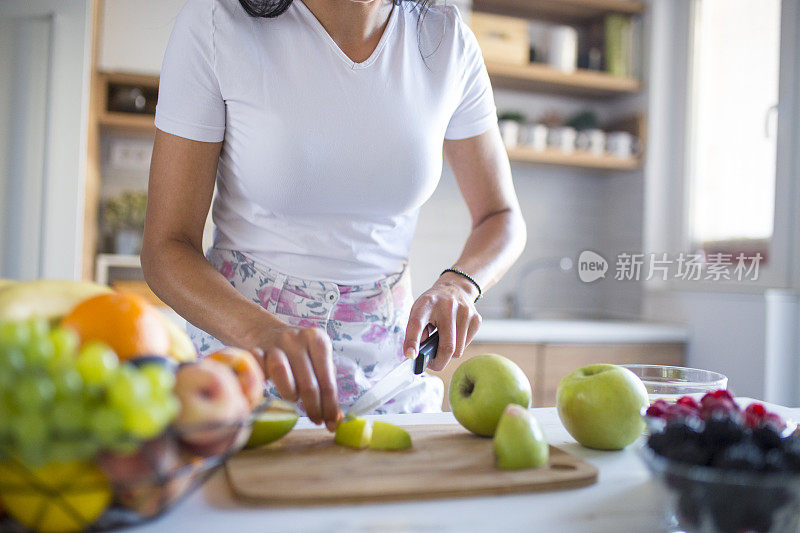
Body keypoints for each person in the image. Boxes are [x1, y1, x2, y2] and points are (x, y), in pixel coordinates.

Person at [141, 0, 526, 432]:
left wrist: (458, 285)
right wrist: (261, 333)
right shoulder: (217, 22)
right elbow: (166, 247)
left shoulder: (445, 39)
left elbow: (502, 216)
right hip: (241, 365)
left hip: (392, 373)